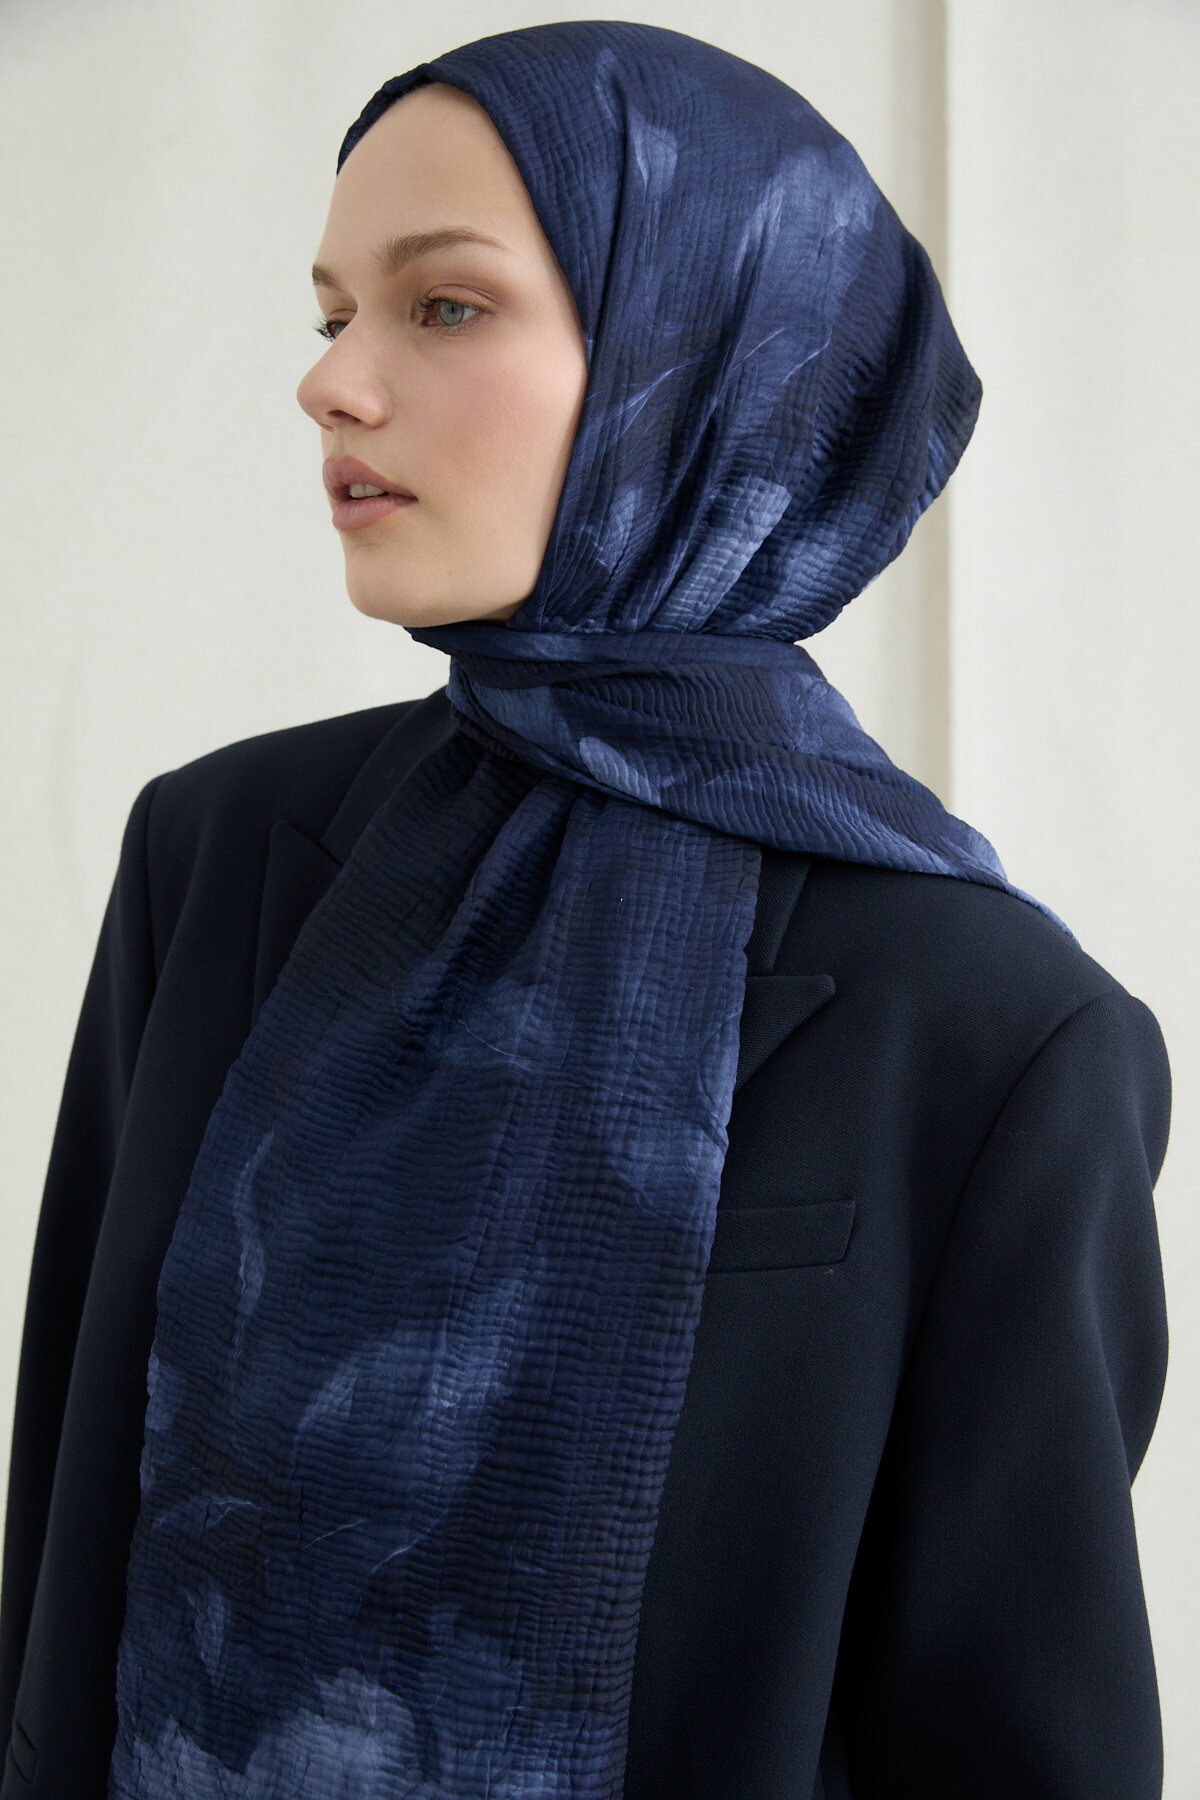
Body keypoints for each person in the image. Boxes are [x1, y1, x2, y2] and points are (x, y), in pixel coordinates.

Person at [0, 21, 1171, 1800]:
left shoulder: (991, 1027)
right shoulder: (221, 856)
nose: (334, 384)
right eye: (332, 315)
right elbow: (66, 1559)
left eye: (442, 306)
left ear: (706, 356)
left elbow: (1015, 1740)